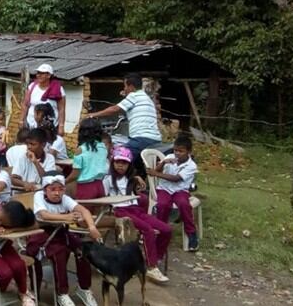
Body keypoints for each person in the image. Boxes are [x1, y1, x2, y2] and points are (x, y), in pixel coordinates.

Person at [29, 175, 100, 306]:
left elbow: (83, 210)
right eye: (53, 189)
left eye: (60, 189)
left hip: (61, 233)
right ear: (45, 190)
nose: (57, 193)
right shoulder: (39, 196)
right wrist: (67, 217)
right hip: (42, 234)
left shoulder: (65, 199)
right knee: (60, 253)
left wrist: (91, 227)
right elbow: (43, 215)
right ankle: (62, 293)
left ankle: (84, 288)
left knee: (82, 250)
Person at [104, 146, 171, 283]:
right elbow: (104, 198)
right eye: (118, 162)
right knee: (148, 230)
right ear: (113, 163)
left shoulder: (131, 178)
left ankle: (155, 257)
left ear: (129, 165)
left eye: (124, 163)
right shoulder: (109, 178)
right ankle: (152, 267)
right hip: (121, 211)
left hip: (136, 209)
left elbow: (138, 193)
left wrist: (137, 180)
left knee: (167, 229)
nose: (121, 166)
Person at [86, 73, 161, 161]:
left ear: (131, 86)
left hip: (141, 138)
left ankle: (112, 174)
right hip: (155, 139)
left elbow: (114, 109)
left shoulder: (134, 96)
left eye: (125, 86)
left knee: (118, 158)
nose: (124, 88)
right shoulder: (145, 97)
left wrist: (93, 115)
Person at [147, 134, 199, 251]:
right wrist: (163, 163)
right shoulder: (169, 157)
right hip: (164, 189)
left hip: (180, 190)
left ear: (189, 152)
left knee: (184, 204)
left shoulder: (191, 166)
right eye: (175, 150)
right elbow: (156, 170)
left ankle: (191, 234)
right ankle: (162, 230)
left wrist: (157, 174)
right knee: (162, 205)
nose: (177, 153)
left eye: (181, 151)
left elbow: (176, 178)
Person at [66, 118, 109, 200]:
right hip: (100, 186)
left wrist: (63, 182)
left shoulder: (81, 149)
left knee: (83, 212)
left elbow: (75, 175)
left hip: (85, 187)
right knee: (96, 213)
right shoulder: (103, 147)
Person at [22, 63, 66, 137]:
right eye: (38, 73)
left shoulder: (58, 89)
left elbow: (61, 109)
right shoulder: (32, 87)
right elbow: (25, 104)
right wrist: (21, 120)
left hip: (50, 126)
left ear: (49, 75)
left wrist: (61, 126)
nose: (38, 75)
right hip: (32, 123)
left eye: (42, 73)